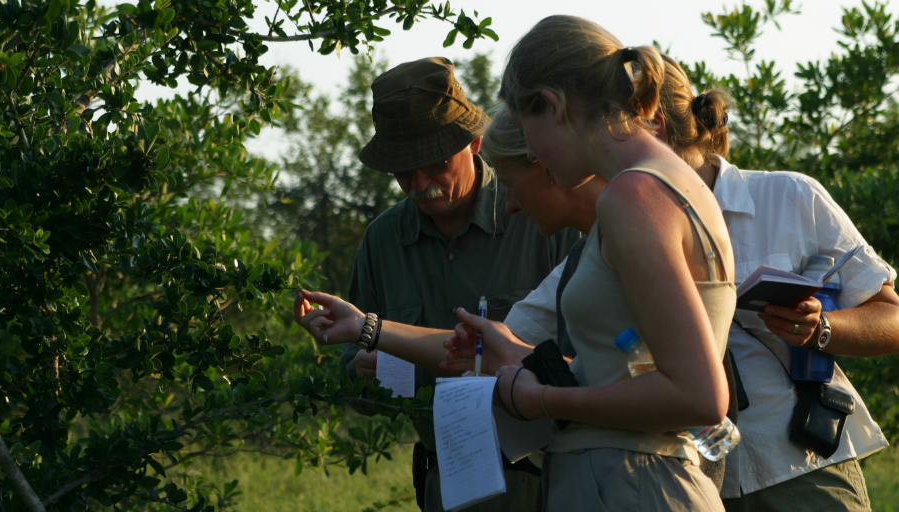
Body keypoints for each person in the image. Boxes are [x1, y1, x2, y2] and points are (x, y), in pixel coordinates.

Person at [447, 51, 899, 512]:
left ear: (652, 123)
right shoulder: (614, 231)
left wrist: (822, 328)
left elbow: (892, 319)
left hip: (801, 467)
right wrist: (375, 333)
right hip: (689, 477)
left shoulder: (789, 196)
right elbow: (504, 337)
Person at [478, 15, 736, 511]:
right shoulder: (665, 183)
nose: (531, 152)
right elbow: (642, 367)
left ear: (552, 106)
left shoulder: (634, 195)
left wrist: (540, 400)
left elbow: (700, 398)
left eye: (527, 131)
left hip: (631, 484)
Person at [312, 56, 580, 512]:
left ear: (474, 143)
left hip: (549, 481)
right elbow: (359, 377)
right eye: (403, 170)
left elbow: (591, 363)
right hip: (445, 485)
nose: (420, 184)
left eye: (434, 164)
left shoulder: (542, 216)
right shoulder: (383, 241)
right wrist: (372, 370)